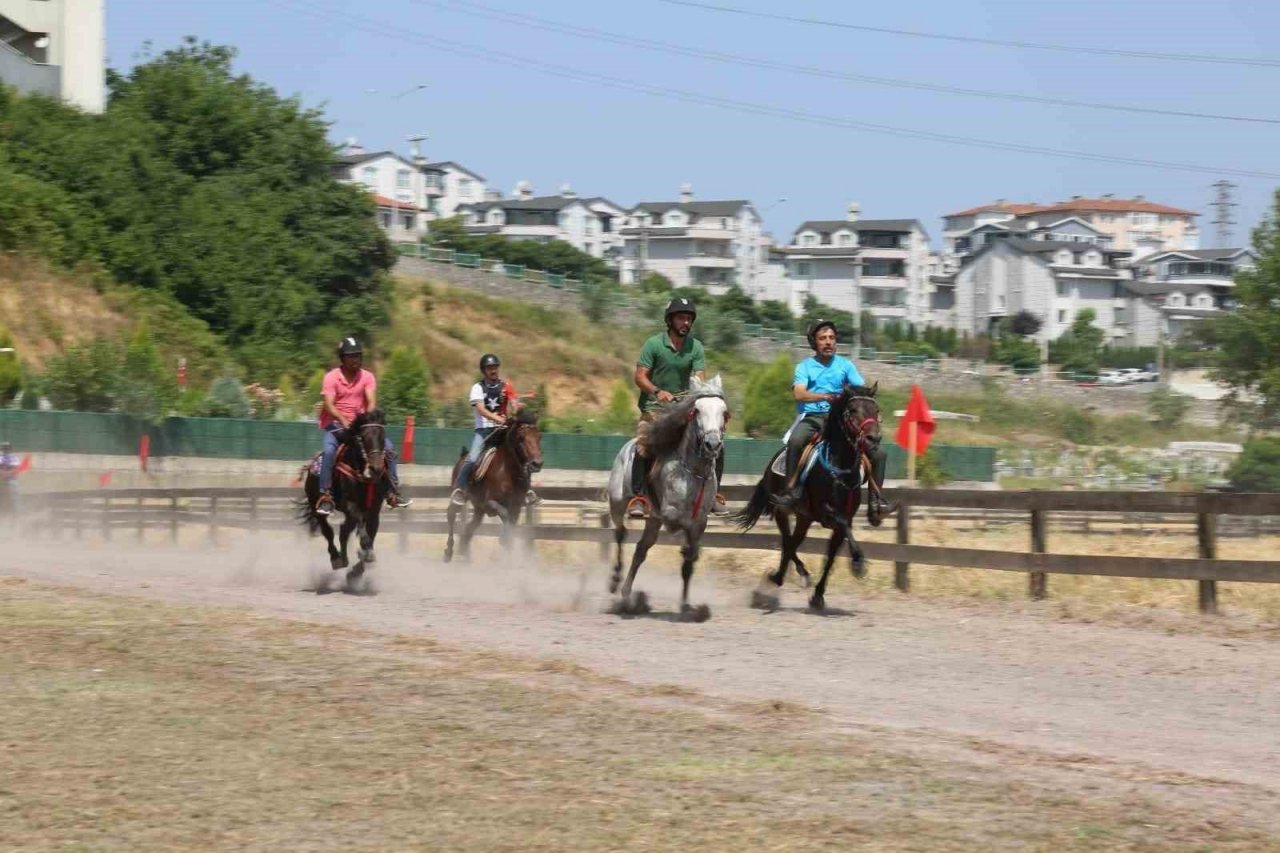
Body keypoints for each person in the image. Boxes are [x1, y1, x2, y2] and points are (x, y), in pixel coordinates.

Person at [775, 319, 895, 519]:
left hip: (840, 422)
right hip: (812, 417)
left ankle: (876, 503)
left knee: (879, 454)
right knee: (796, 441)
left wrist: (870, 413)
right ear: (814, 342)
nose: (828, 342)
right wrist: (824, 396)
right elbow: (799, 394)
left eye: (831, 338)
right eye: (822, 338)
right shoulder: (804, 367)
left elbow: (861, 391)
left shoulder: (846, 366)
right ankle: (791, 492)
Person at [626, 296, 727, 519]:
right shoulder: (653, 344)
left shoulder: (696, 347)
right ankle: (638, 497)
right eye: (681, 318)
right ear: (670, 320)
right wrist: (657, 392)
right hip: (653, 410)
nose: (686, 323)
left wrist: (694, 393)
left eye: (689, 319)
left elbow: (699, 379)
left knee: (715, 443)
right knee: (643, 446)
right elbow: (639, 377)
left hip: (682, 411)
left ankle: (714, 495)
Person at [314, 337, 412, 516]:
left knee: (388, 449)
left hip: (360, 426)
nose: (356, 360)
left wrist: (368, 422)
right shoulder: (331, 377)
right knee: (328, 453)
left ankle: (392, 492)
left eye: (358, 356)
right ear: (342, 358)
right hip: (336, 426)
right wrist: (343, 419)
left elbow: (371, 402)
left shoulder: (367, 377)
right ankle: (325, 495)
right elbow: (329, 404)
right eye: (351, 356)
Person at [450, 353, 538, 507]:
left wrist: (516, 406)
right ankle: (460, 489)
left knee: (522, 453)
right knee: (472, 458)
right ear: (484, 371)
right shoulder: (477, 388)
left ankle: (526, 490)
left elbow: (513, 403)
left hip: (504, 430)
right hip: (484, 431)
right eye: (490, 368)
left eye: (495, 367)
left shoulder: (506, 386)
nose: (493, 370)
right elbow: (481, 410)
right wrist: (498, 419)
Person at [0, 442, 19, 514]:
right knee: (13, 497)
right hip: (4, 480)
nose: (5, 449)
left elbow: (14, 468)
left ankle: (17, 512)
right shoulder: (1, 457)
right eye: (4, 448)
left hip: (10, 479)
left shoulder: (13, 457)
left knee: (15, 497)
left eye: (6, 448)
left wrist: (6, 473)